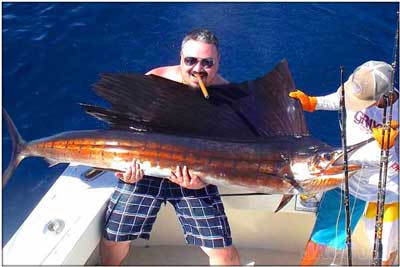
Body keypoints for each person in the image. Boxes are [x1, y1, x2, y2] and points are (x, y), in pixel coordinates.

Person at [100, 28, 240, 265]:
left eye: (207, 63)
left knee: (223, 252)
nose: (198, 69)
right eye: (191, 61)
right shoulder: (156, 79)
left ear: (218, 62)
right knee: (113, 238)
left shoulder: (226, 97)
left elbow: (229, 153)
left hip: (194, 176)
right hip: (144, 172)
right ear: (180, 58)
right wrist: (127, 173)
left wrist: (202, 181)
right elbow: (125, 130)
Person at [290, 61, 399, 265]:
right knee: (322, 234)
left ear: (383, 97)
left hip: (386, 188)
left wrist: (390, 148)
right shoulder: (357, 89)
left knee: (384, 247)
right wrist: (313, 103)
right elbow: (339, 100)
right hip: (347, 177)